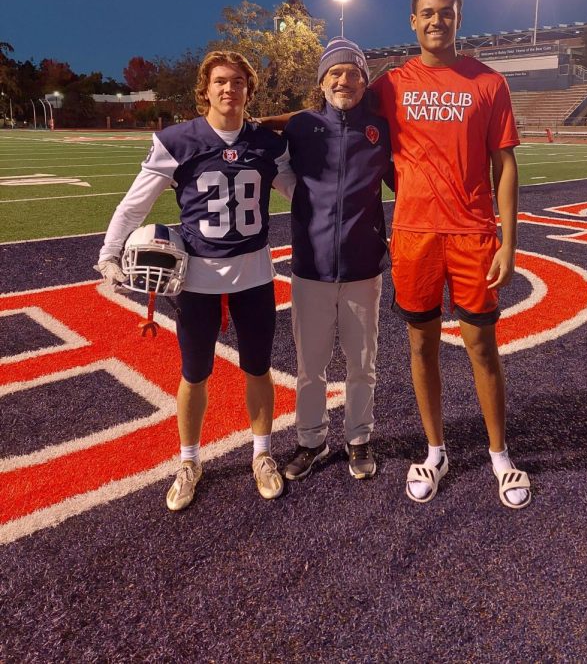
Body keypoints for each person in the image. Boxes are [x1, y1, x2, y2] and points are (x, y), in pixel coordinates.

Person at [95, 49, 296, 511]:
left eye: (239, 82)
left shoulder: (266, 144)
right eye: (221, 82)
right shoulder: (178, 141)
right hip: (196, 278)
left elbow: (299, 192)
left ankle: (262, 453)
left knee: (258, 367)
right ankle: (189, 460)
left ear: (249, 89)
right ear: (204, 89)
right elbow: (134, 205)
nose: (230, 90)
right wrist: (109, 252)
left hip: (254, 272)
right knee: (194, 372)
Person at [369, 0, 531, 508]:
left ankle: (500, 456)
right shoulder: (390, 84)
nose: (436, 20)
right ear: (412, 21)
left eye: (446, 12)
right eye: (427, 13)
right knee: (422, 344)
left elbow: (504, 164)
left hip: (472, 235)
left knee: (482, 345)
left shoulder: (488, 83)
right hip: (414, 234)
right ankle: (435, 450)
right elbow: (337, 114)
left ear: (459, 18)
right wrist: (254, 123)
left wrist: (508, 241)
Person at [281, 37, 392, 482]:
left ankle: (359, 438)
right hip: (310, 267)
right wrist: (301, 199)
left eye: (353, 72)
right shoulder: (301, 126)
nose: (344, 79)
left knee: (362, 363)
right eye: (335, 73)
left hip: (364, 267)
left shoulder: (380, 129)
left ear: (365, 81)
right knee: (310, 367)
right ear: (322, 81)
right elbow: (276, 167)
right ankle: (311, 441)